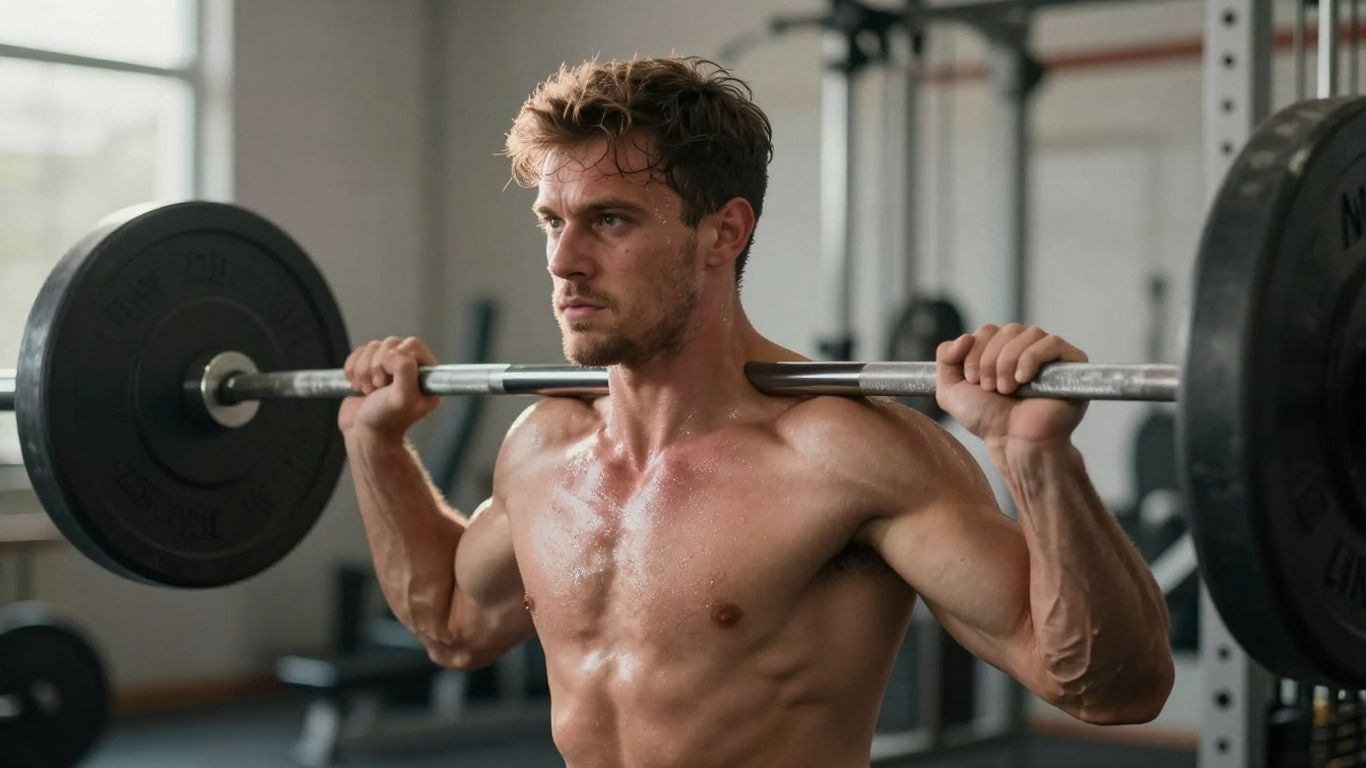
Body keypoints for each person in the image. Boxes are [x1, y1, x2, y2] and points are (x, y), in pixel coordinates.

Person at [338, 56, 1173, 768]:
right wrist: (372, 444)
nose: (563, 260)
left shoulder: (846, 458)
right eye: (551, 221)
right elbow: (451, 626)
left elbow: (1113, 688)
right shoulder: (544, 444)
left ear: (723, 233)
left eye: (610, 220)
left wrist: (1036, 460)